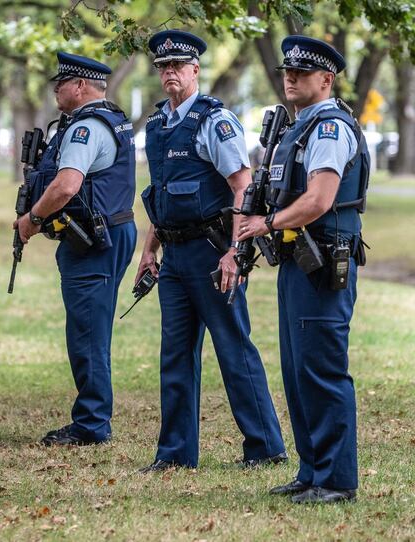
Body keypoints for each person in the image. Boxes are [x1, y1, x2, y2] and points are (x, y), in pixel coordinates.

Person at [135, 30, 286, 471]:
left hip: (211, 251)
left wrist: (234, 253)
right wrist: (149, 251)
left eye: (177, 66)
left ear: (195, 69)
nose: (169, 74)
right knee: (175, 356)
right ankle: (176, 455)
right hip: (175, 256)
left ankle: (266, 447)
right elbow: (159, 196)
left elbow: (243, 187)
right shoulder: (158, 126)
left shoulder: (214, 122)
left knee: (233, 348)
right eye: (163, 67)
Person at [238, 36, 369, 504]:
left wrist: (266, 223)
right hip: (298, 260)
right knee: (297, 370)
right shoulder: (299, 127)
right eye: (286, 72)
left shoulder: (329, 128)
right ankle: (312, 470)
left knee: (322, 370)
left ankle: (336, 481)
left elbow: (319, 200)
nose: (289, 77)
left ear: (326, 80)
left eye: (301, 73)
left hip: (323, 262)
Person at [15, 52, 137, 446]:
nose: (55, 89)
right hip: (108, 232)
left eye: (61, 83)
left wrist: (32, 218)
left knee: (87, 331)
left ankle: (91, 424)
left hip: (94, 240)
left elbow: (67, 185)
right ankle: (92, 418)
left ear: (81, 86)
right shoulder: (110, 118)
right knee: (90, 327)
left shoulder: (87, 127)